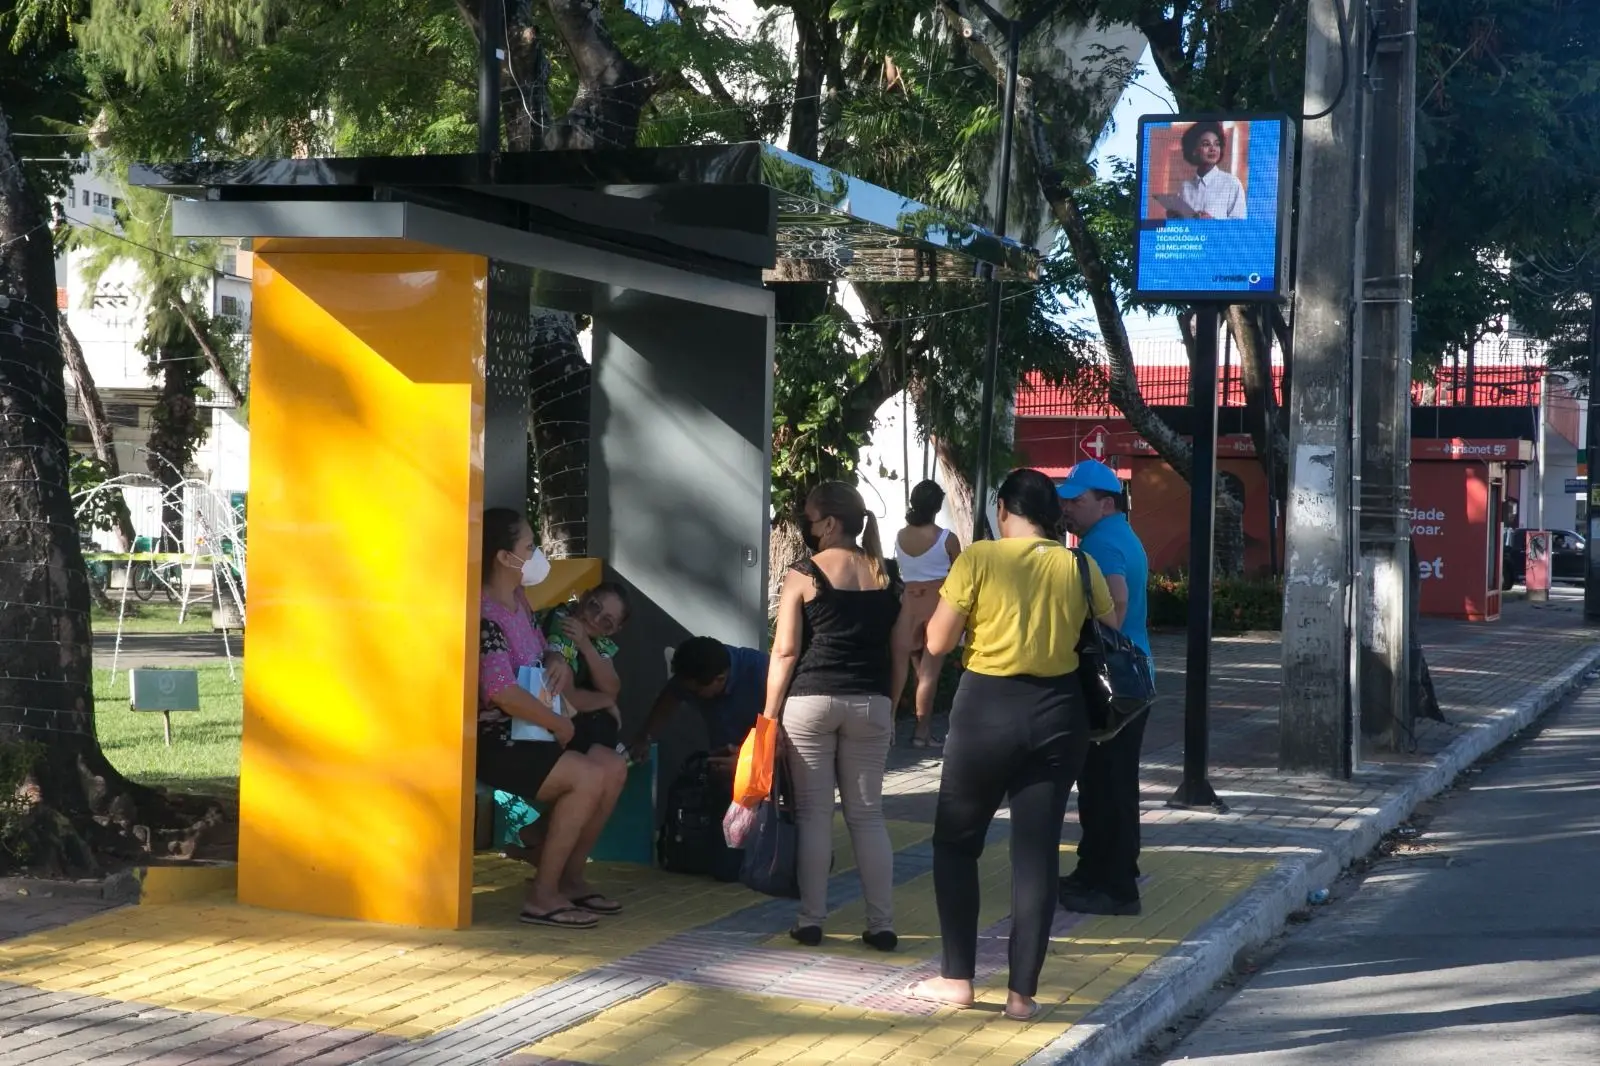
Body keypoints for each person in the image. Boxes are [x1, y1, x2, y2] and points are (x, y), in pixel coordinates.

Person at [908, 468, 1116, 1022]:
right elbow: (1110, 619)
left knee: (956, 844)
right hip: (1058, 713)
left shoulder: (979, 558)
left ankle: (957, 979)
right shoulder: (1078, 562)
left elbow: (938, 640)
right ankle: (1022, 995)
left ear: (1003, 509)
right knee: (1036, 854)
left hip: (986, 711)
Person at [764, 482, 914, 951]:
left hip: (810, 703)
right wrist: (888, 707)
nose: (808, 528)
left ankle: (811, 920)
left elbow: (786, 652)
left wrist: (768, 717)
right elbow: (901, 652)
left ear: (830, 523)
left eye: (810, 519)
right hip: (869, 703)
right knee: (867, 817)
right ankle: (882, 924)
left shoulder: (803, 573)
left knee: (812, 817)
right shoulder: (887, 575)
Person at [477, 508, 628, 929]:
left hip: (534, 727)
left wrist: (554, 660)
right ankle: (543, 895)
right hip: (499, 737)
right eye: (530, 546)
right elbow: (500, 691)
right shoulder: (484, 612)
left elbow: (540, 649)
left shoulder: (519, 601)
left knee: (612, 767)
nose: (537, 553)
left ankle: (570, 877)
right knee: (586, 776)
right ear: (506, 558)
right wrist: (560, 723)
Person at [1057, 460, 1152, 917]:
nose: (1067, 508)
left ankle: (1114, 889)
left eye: (1077, 501)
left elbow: (1115, 607)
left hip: (1110, 682)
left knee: (1103, 787)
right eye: (1066, 500)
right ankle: (1102, 870)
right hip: (1131, 679)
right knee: (1112, 784)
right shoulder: (1120, 536)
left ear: (1106, 502)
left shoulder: (1100, 543)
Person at [627, 637, 769, 768]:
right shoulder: (694, 670)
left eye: (696, 692)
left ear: (720, 679)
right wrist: (645, 736)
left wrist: (747, 761)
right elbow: (669, 698)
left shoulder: (762, 672)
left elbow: (783, 733)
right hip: (722, 759)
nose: (690, 695)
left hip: (765, 759)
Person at [894, 479, 962, 748]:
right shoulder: (947, 538)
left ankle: (889, 730)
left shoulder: (900, 535)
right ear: (937, 506)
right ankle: (922, 733)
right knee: (929, 673)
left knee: (913, 671)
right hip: (939, 606)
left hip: (908, 605)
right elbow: (962, 575)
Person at [542, 583, 630, 755]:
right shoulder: (564, 623)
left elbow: (612, 686)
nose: (595, 619)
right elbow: (569, 699)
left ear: (614, 630)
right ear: (584, 597)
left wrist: (585, 645)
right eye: (594, 606)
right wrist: (607, 701)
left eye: (607, 621)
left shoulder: (593, 637)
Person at [1177, 120, 1245, 220]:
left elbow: (1240, 227)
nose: (1213, 149)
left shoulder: (1232, 183)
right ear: (1194, 150)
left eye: (1217, 144)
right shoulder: (1185, 187)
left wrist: (1212, 222)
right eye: (1206, 144)